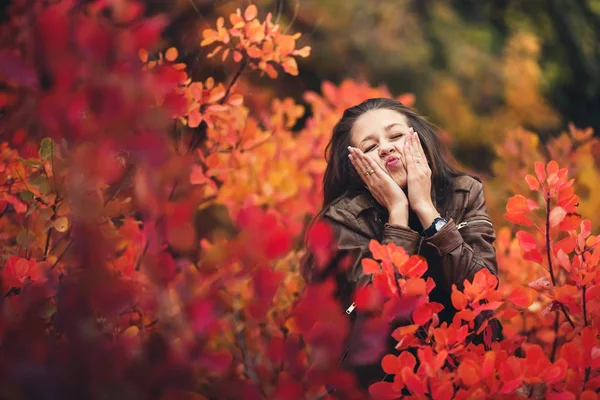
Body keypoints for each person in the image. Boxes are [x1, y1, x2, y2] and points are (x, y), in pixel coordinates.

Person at [300, 98, 503, 390]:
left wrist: (426, 209)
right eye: (370, 147)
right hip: (383, 382)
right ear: (357, 167)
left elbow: (484, 291)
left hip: (468, 375)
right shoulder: (343, 219)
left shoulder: (463, 193)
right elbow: (375, 311)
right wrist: (398, 214)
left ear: (419, 140)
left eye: (395, 135)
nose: (385, 147)